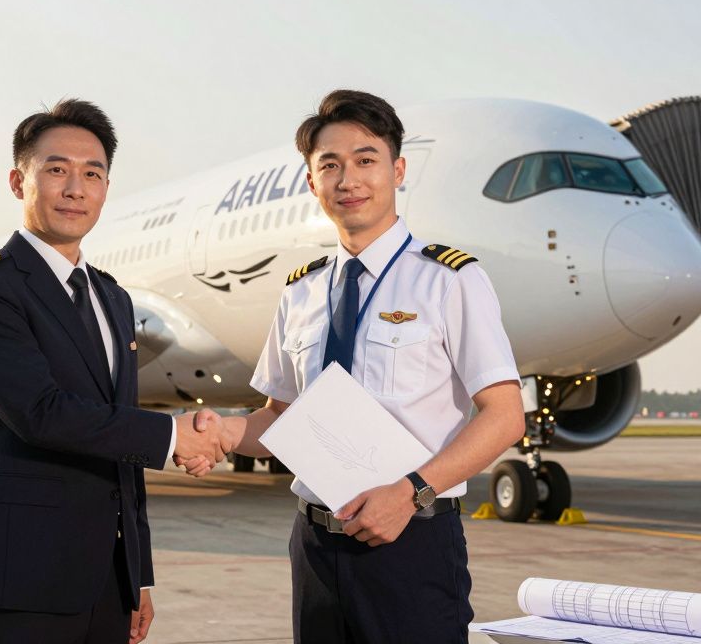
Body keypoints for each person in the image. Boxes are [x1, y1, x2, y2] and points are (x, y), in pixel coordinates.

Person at [194, 90, 526, 643]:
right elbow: (281, 417)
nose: (348, 179)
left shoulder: (447, 279)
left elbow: (505, 414)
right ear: (311, 182)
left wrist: (412, 490)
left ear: (397, 170)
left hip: (412, 542)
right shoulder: (301, 291)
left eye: (366, 160)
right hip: (316, 544)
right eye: (330, 165)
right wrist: (227, 432)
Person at [0, 99, 224, 644]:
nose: (76, 188)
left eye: (92, 173)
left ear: (105, 189)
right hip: (18, 577)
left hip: (106, 585)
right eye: (56, 170)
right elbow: (40, 413)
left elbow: (119, 434)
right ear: (18, 181)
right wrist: (173, 436)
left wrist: (137, 574)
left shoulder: (113, 298)